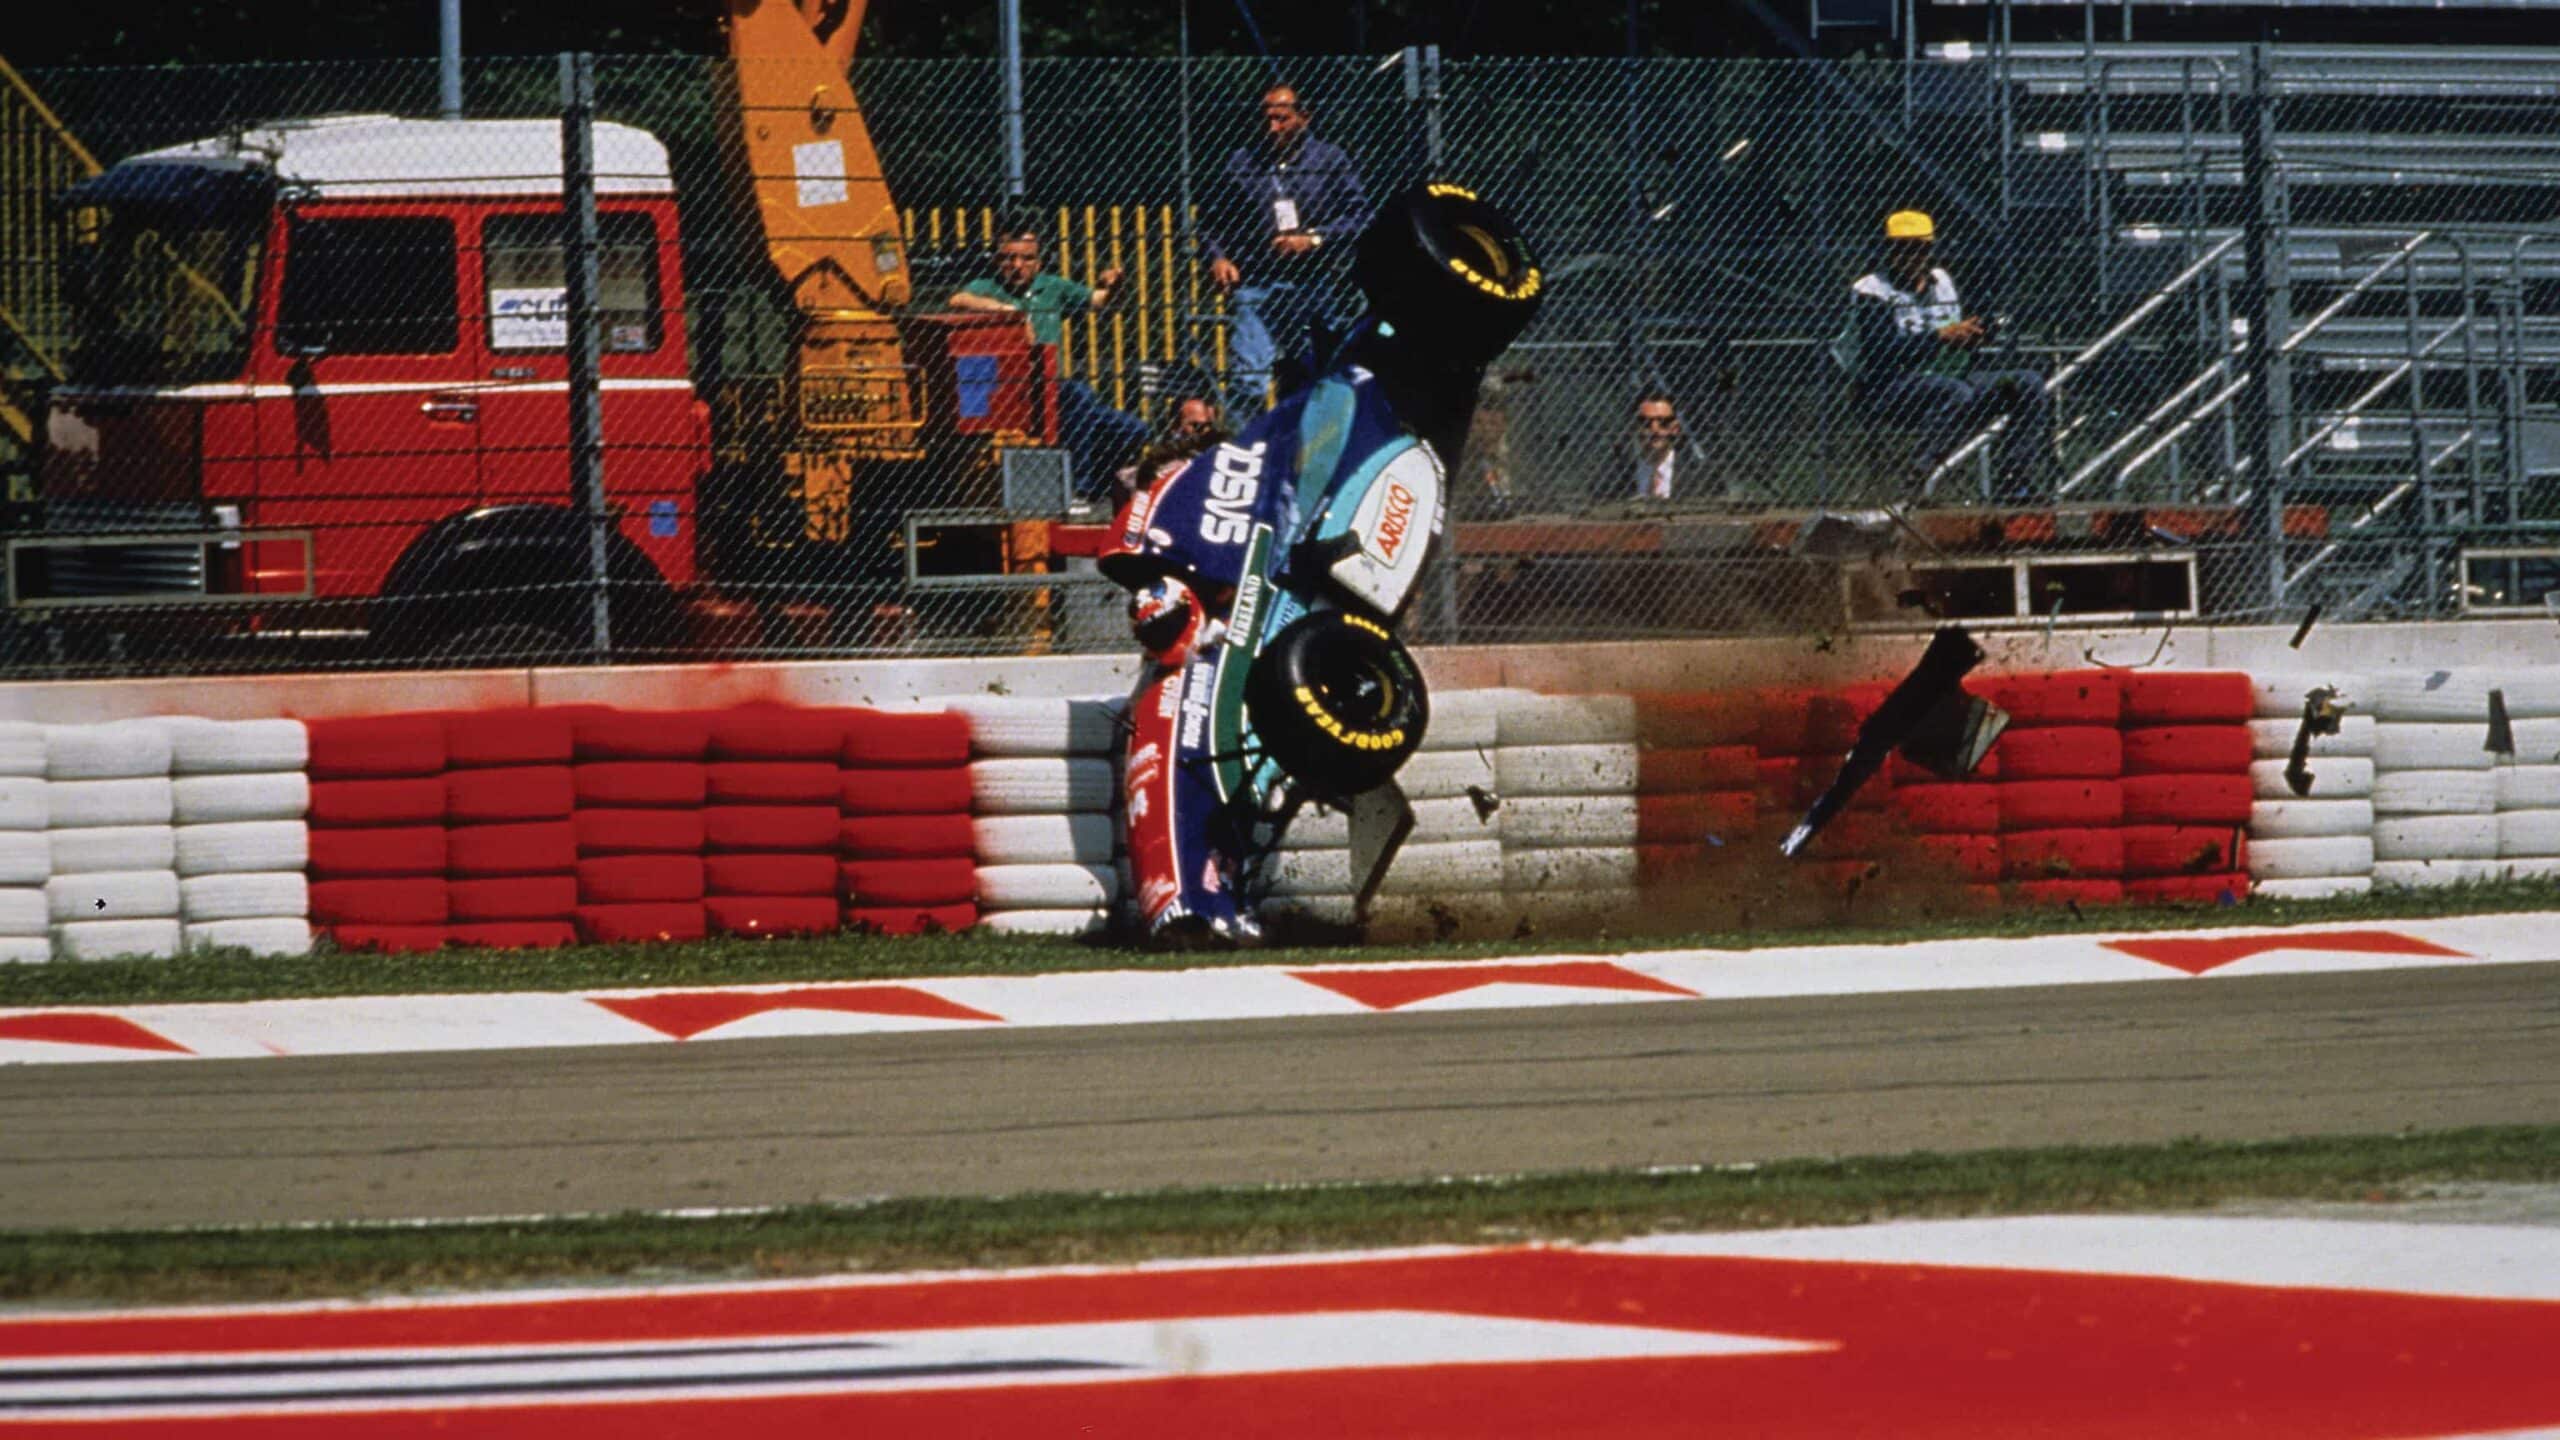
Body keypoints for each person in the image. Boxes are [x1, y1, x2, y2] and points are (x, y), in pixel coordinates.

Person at [1845, 209, 2053, 503]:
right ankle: (1918, 480)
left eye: (1919, 248)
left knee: (2027, 384)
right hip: (1887, 388)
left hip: (1951, 379)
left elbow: (1961, 335)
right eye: (1902, 248)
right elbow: (1880, 352)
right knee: (1954, 391)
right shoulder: (1872, 290)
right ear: (1889, 249)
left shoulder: (1941, 282)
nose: (1911, 256)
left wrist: (1973, 334)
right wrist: (1940, 337)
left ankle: (2013, 480)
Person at [1199, 84, 1372, 417]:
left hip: (1312, 283)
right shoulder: (1242, 163)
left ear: (1303, 118)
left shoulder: (1330, 160)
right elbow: (1211, 220)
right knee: (1249, 376)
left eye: (1281, 119)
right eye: (1267, 119)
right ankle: (1246, 447)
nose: (1272, 128)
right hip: (1256, 282)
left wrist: (1314, 238)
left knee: (1314, 371)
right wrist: (1218, 256)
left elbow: (1360, 216)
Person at [949, 226, 1151, 500]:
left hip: (1051, 384)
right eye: (1009, 258)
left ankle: (1099, 489)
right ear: (998, 261)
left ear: (1038, 262)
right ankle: (1079, 489)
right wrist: (1010, 313)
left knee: (1134, 430)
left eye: (1027, 258)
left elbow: (1100, 301)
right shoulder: (988, 287)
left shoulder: (1052, 286)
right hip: (1008, 389)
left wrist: (1116, 286)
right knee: (1081, 398)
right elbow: (958, 299)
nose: (1017, 266)